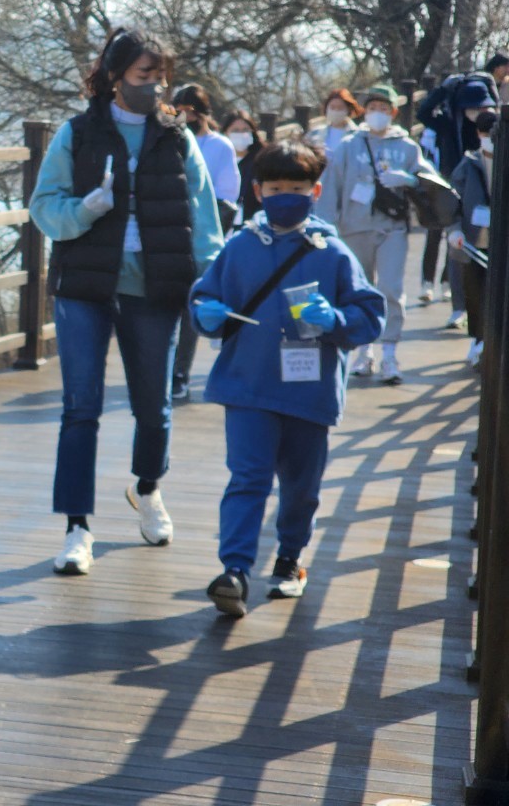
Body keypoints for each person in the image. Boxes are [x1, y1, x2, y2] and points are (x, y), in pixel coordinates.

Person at [29, 27, 223, 577]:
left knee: (153, 406)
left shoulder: (176, 136)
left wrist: (210, 281)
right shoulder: (78, 133)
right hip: (86, 287)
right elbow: (44, 206)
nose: (155, 86)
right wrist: (85, 209)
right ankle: (76, 527)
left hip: (156, 285)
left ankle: (148, 489)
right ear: (115, 77)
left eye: (160, 76)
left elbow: (204, 216)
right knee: (80, 409)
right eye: (144, 76)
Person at [190, 141, 384, 617]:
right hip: (248, 384)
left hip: (308, 390)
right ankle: (234, 571)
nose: (285, 196)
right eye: (275, 188)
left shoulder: (333, 252)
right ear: (257, 191)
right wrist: (207, 314)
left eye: (296, 188)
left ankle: (290, 559)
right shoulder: (238, 249)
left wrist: (336, 318)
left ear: (315, 190)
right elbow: (202, 301)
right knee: (248, 476)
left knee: (301, 487)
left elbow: (369, 315)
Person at [315, 84, 435, 384]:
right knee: (359, 289)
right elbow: (331, 188)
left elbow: (428, 181)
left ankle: (390, 354)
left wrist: (409, 178)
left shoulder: (407, 146)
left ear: (393, 112)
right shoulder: (348, 145)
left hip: (391, 227)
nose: (377, 114)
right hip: (353, 228)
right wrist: (325, 228)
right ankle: (363, 351)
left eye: (384, 109)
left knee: (391, 288)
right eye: (372, 108)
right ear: (364, 111)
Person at [171, 83, 240, 400]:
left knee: (189, 306)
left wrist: (205, 232)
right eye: (178, 109)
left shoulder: (220, 146)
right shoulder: (166, 141)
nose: (184, 116)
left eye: (189, 110)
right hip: (165, 231)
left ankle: (179, 372)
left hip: (201, 235)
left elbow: (227, 197)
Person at [417, 71, 498, 325]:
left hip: (485, 190)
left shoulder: (494, 126)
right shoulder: (449, 124)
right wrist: (443, 89)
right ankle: (441, 291)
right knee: (447, 238)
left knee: (477, 249)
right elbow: (423, 113)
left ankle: (473, 306)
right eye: (471, 106)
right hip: (451, 185)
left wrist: (490, 85)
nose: (476, 111)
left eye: (481, 105)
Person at [447, 110, 498, 368]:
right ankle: (478, 339)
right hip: (474, 240)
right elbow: (451, 203)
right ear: (478, 134)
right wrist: (454, 229)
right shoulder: (467, 164)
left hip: (502, 243)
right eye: (486, 133)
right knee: (476, 292)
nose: (490, 138)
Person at [223, 110, 265, 222]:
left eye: (245, 130)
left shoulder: (261, 160)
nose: (241, 134)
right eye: (235, 130)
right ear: (225, 132)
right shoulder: (220, 159)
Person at [303, 88, 362, 156]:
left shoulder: (357, 134)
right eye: (332, 107)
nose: (336, 111)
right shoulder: (315, 133)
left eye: (340, 108)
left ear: (348, 110)